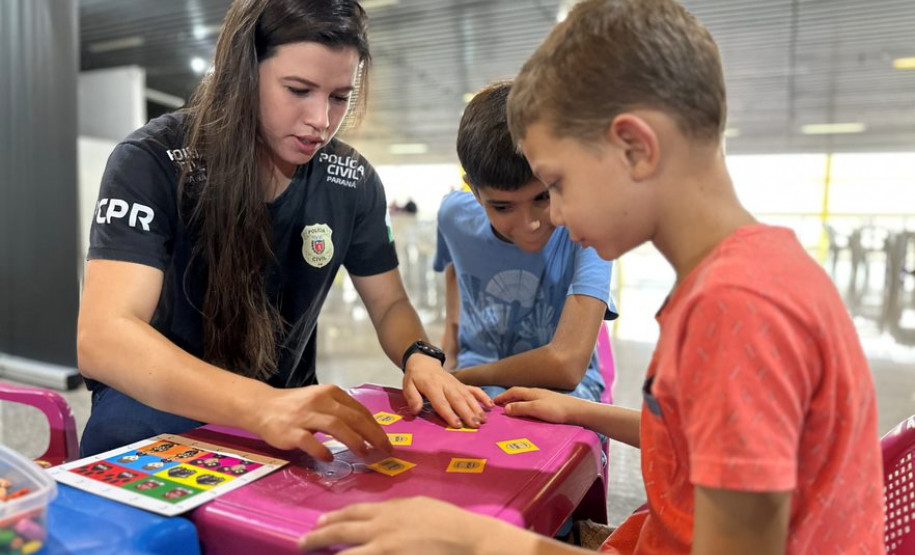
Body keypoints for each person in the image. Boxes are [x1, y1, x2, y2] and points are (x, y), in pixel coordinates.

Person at [299, 0, 886, 553]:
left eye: (556, 185)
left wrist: (478, 540)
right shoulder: (752, 272)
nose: (550, 217)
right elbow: (697, 444)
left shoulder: (736, 308)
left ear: (634, 147)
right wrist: (578, 411)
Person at [77, 0, 491, 460]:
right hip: (156, 414)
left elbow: (389, 301)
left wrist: (419, 356)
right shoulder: (153, 160)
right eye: (298, 90)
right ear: (244, 74)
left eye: (339, 96)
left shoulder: (351, 180)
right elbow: (104, 338)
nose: (321, 120)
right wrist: (258, 405)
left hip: (286, 416)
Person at [435, 81, 617, 401]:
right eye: (502, 206)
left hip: (565, 391)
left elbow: (567, 363)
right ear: (474, 191)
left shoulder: (587, 225)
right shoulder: (453, 215)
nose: (529, 223)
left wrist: (458, 376)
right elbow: (454, 267)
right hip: (477, 382)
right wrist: (450, 340)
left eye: (543, 197)